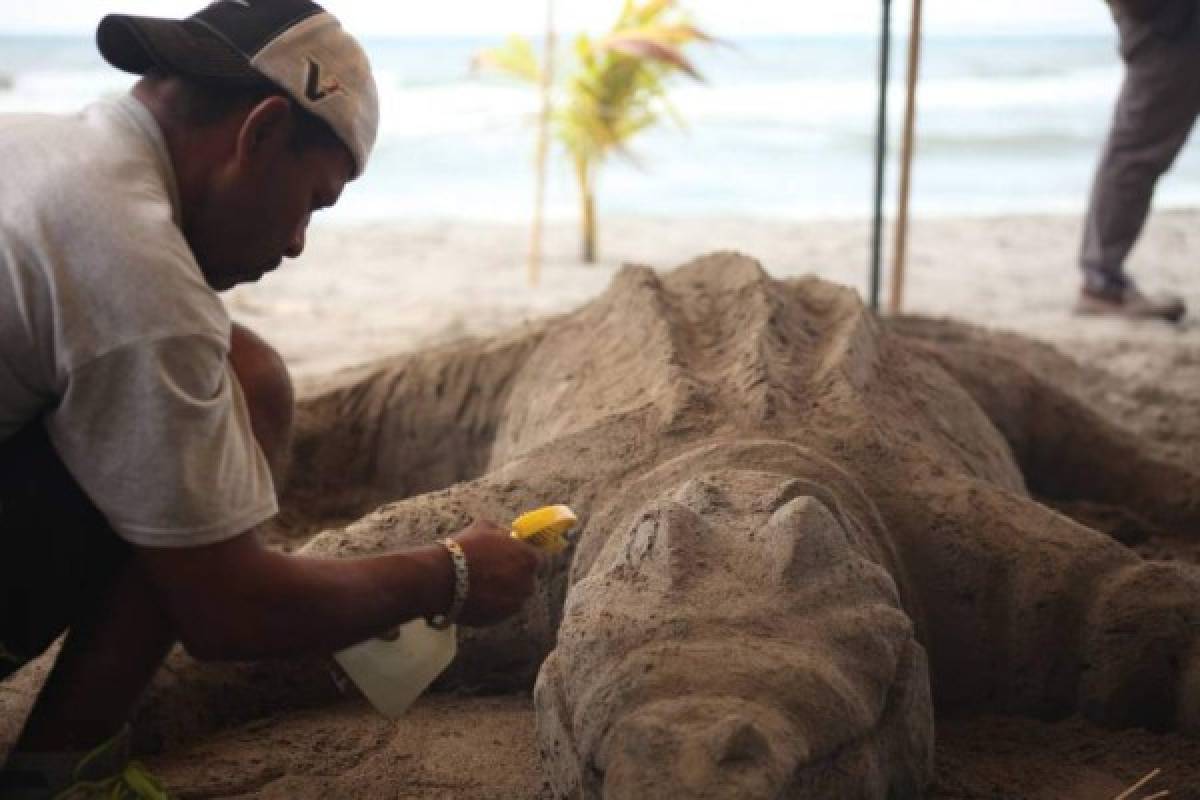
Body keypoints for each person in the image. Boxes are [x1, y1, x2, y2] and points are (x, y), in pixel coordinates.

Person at [0, 1, 543, 796]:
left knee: (241, 369)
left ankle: (60, 761)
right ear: (257, 135)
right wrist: (450, 573)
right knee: (225, 396)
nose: (295, 244)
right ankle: (61, 781)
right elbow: (229, 615)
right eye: (313, 203)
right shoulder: (137, 275)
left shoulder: (35, 146)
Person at [1076, 0, 1199, 321]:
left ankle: (1102, 279)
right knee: (1136, 152)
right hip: (1167, 25)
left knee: (1136, 150)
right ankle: (1102, 281)